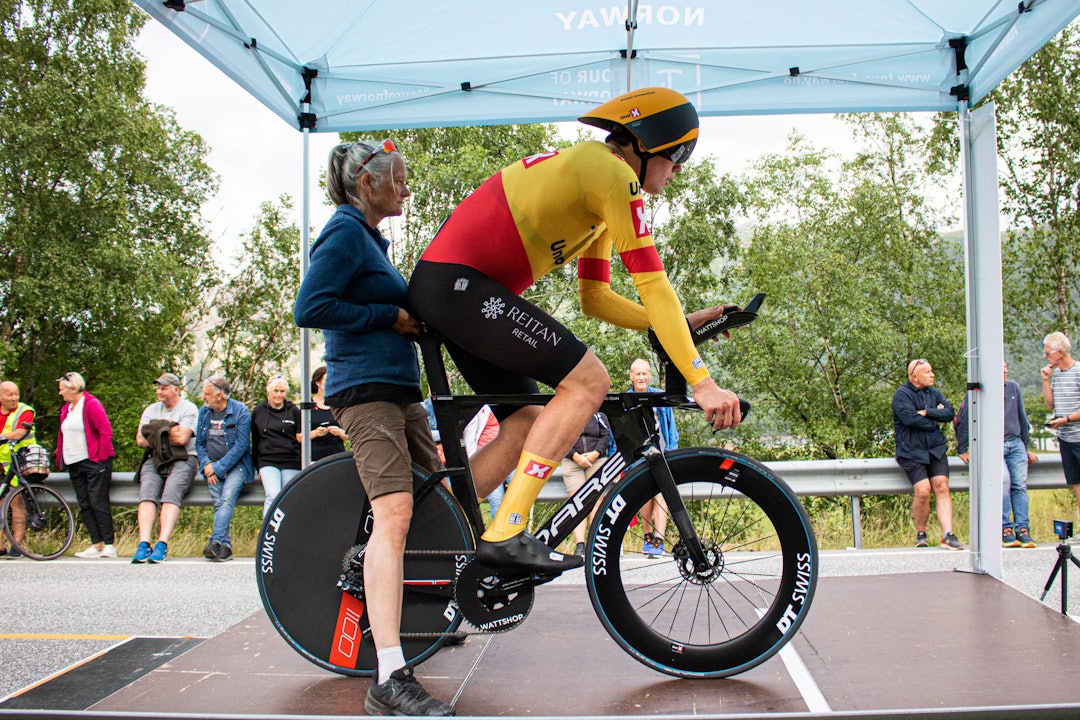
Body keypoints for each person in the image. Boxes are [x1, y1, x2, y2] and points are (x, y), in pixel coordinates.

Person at [408, 87, 741, 576]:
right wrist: (702, 380)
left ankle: (427, 526)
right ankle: (506, 530)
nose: (678, 171)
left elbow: (595, 298)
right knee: (589, 380)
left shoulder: (598, 177)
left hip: (458, 289)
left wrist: (675, 327)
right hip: (458, 286)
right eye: (677, 156)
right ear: (644, 143)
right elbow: (654, 284)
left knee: (523, 421)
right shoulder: (609, 173)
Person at [293, 139, 453, 716]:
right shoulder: (342, 232)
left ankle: (430, 615)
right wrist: (388, 315)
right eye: (401, 180)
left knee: (440, 500)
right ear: (368, 183)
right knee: (396, 513)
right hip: (364, 394)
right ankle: (389, 676)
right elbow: (309, 307)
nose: (407, 189)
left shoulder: (370, 241)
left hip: (399, 391)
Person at [956, 363, 1038, 548]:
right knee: (1003, 482)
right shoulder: (978, 391)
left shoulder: (1013, 387)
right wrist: (963, 449)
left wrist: (1025, 447)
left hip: (1015, 443)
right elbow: (963, 419)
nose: (1005, 371)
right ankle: (1005, 528)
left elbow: (1022, 418)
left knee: (1019, 485)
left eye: (1006, 368)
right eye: (1000, 369)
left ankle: (1023, 530)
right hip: (993, 444)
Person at [892, 359, 963, 550]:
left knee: (942, 486)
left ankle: (948, 535)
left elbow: (949, 413)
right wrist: (933, 420)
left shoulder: (934, 393)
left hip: (935, 449)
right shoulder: (902, 395)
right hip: (911, 452)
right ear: (914, 377)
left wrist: (927, 412)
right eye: (928, 372)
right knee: (923, 490)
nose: (932, 375)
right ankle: (921, 533)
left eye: (932, 371)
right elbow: (910, 419)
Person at [132, 372, 200, 564]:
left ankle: (162, 544)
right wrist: (169, 429)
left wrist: (155, 431)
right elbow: (140, 440)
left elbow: (182, 439)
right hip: (156, 458)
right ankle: (144, 543)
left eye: (163, 388)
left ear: (175, 389)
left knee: (170, 493)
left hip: (184, 459)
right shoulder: (151, 410)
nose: (159, 391)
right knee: (147, 493)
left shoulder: (189, 408)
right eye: (158, 388)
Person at [56, 372, 118, 559]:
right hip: (74, 462)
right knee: (85, 504)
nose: (60, 393)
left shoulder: (91, 404)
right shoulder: (67, 409)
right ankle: (96, 543)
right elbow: (62, 435)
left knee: (98, 502)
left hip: (93, 461)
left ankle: (108, 544)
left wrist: (99, 458)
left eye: (62, 389)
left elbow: (105, 432)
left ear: (73, 388)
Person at [195, 376, 254, 563]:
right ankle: (225, 547)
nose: (203, 397)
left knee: (226, 498)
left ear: (219, 396)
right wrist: (207, 465)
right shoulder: (204, 412)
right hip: (211, 466)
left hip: (237, 467)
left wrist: (218, 468)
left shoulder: (240, 411)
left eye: (207, 394)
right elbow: (199, 443)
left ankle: (215, 541)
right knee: (220, 503)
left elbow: (242, 445)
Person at [628, 358, 679, 557]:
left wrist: (672, 454)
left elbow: (671, 429)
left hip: (661, 454)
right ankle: (647, 535)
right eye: (637, 374)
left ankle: (659, 539)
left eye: (644, 374)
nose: (641, 377)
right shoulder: (627, 399)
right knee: (645, 498)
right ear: (631, 376)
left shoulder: (659, 397)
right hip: (638, 456)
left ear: (650, 375)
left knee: (661, 495)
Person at [560, 411, 611, 556]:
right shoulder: (566, 414)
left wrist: (595, 453)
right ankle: (580, 544)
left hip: (596, 459)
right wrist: (575, 456)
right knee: (577, 501)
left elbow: (606, 435)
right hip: (572, 460)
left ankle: (594, 541)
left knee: (596, 499)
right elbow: (561, 438)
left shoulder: (599, 415)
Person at [251, 375, 301, 516]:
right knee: (273, 495)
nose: (279, 395)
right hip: (268, 460)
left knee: (288, 497)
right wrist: (256, 466)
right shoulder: (258, 412)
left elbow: (300, 437)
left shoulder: (294, 411)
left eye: (282, 391)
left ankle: (287, 532)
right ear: (269, 391)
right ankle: (267, 532)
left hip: (291, 460)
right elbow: (255, 441)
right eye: (276, 391)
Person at [1042, 331, 1080, 512]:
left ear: (1060, 353)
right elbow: (1050, 405)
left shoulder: (1078, 371)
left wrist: (1066, 419)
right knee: (1076, 484)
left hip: (1079, 436)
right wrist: (1045, 380)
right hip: (1066, 439)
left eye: (1048, 353)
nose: (1044, 356)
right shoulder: (1056, 375)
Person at [0, 381, 35, 558]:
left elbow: (19, 433)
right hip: (2, 463)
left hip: (17, 462)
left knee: (16, 503)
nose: (14, 398)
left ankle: (17, 546)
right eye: (9, 395)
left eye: (16, 394)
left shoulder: (25, 411)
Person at [309, 366, 347, 461]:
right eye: (327, 379)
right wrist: (315, 433)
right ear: (317, 383)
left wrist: (339, 432)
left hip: (337, 457)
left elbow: (349, 435)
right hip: (314, 458)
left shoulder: (339, 404)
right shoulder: (307, 406)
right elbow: (299, 437)